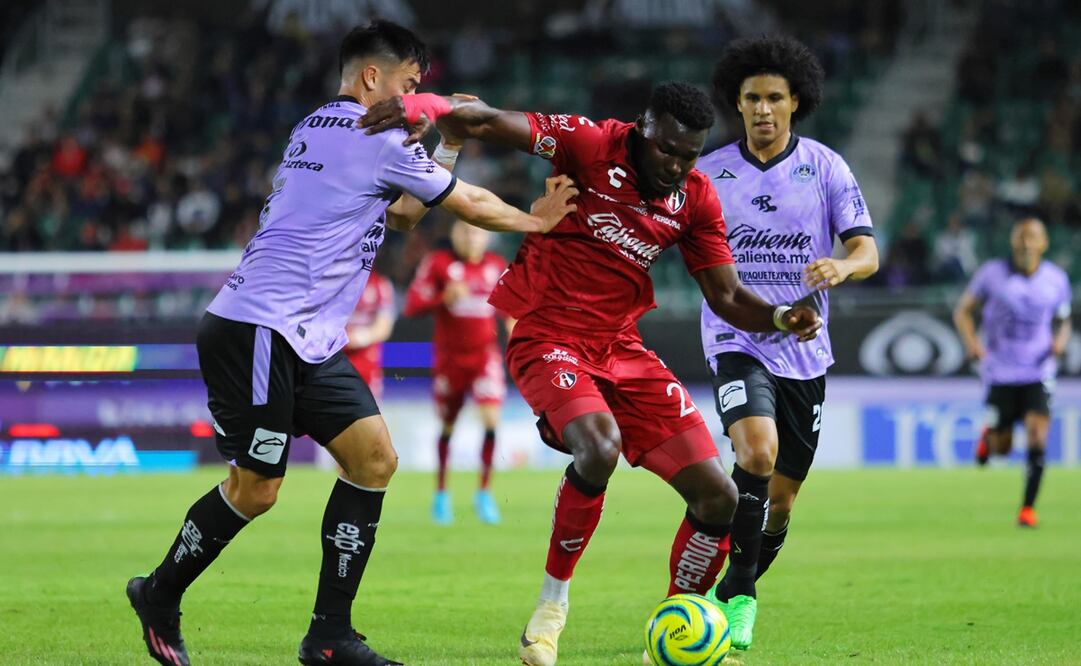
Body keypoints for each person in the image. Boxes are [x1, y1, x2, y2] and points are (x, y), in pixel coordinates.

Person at [124, 20, 577, 666]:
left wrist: (443, 141)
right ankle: (159, 594)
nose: (410, 101)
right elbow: (464, 205)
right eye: (408, 85)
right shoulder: (375, 134)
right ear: (373, 79)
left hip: (304, 336)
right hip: (259, 326)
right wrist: (536, 221)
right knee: (257, 489)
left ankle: (329, 637)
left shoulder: (315, 126)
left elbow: (401, 214)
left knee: (374, 460)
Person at [361, 81, 822, 666]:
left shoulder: (697, 198)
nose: (677, 167)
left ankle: (682, 617)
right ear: (640, 131)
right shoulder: (586, 142)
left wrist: (781, 315)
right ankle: (550, 611)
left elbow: (727, 296)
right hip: (547, 334)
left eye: (690, 155)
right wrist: (424, 108)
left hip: (622, 350)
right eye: (668, 152)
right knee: (598, 448)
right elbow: (485, 121)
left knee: (719, 498)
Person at [694, 35, 880, 650]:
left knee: (781, 499)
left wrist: (840, 267)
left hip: (806, 352)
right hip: (737, 336)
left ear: (795, 102)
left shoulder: (825, 167)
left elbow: (867, 252)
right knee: (755, 451)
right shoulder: (709, 173)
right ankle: (742, 596)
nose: (764, 109)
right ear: (738, 103)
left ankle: (729, 587)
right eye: (752, 98)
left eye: (776, 97)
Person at [953, 217, 1071, 528]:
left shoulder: (1056, 279)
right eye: (1021, 237)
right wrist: (972, 343)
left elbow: (1063, 319)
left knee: (1036, 435)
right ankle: (988, 437)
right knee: (1002, 447)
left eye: (1032, 237)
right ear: (1012, 242)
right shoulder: (991, 275)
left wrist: (1059, 342)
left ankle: (1027, 509)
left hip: (1039, 370)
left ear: (1043, 243)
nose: (1026, 243)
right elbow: (962, 310)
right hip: (1001, 372)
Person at [404, 220, 510, 525]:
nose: (471, 238)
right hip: (450, 360)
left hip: (485, 358)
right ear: (454, 234)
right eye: (464, 231)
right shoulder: (438, 264)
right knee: (448, 426)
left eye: (476, 232)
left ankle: (484, 493)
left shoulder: (496, 266)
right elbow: (411, 305)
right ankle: (441, 494)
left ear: (486, 237)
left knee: (491, 421)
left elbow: (511, 311)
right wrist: (443, 298)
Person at [345, 270, 397, 403]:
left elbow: (384, 327)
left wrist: (359, 337)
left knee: (368, 411)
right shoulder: (332, 281)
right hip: (333, 356)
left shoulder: (380, 284)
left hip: (366, 361)